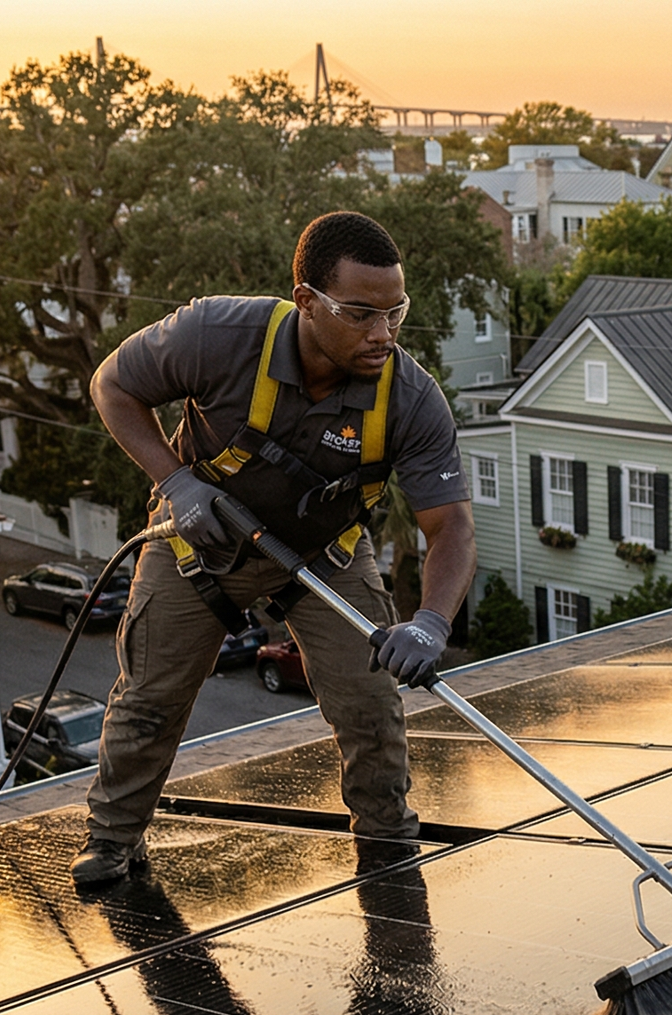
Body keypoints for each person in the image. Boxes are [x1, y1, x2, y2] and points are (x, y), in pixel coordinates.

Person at [75, 210, 473, 889]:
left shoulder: (408, 396)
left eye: (395, 312)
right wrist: (175, 482)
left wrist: (431, 621)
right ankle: (112, 842)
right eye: (360, 313)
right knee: (149, 699)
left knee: (370, 705)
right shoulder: (218, 337)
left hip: (326, 556)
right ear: (307, 303)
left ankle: (387, 844)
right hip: (200, 546)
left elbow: (452, 527)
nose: (382, 334)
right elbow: (112, 386)